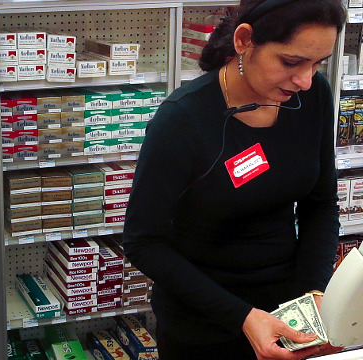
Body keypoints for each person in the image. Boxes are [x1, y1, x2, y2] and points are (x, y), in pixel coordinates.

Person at [122, 0, 347, 359]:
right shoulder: (181, 120)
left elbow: (320, 205)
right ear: (244, 40)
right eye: (291, 62)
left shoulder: (314, 96)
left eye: (317, 63)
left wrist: (313, 295)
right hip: (202, 324)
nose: (305, 80)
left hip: (288, 317)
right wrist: (242, 317)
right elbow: (142, 241)